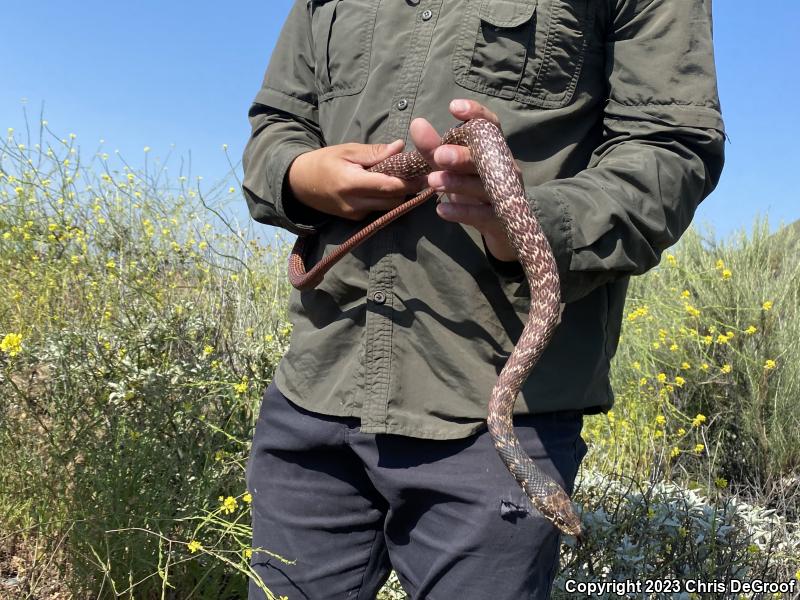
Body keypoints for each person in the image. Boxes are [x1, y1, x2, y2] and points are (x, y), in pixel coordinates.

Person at [241, 0, 725, 597]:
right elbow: (277, 125)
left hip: (495, 423)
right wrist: (299, 176)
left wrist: (526, 222)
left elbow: (671, 150)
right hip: (313, 394)